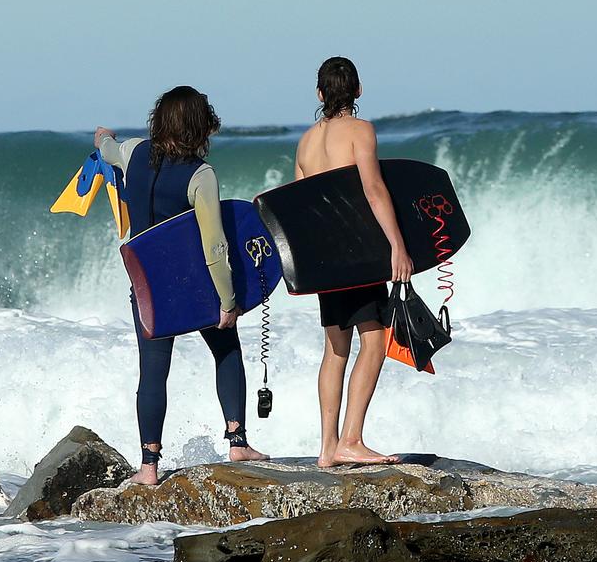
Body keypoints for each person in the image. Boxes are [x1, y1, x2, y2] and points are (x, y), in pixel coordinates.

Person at [95, 86, 269, 485]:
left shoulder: (134, 152)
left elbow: (108, 148)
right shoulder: (201, 175)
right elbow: (214, 246)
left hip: (150, 288)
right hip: (195, 286)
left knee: (153, 373)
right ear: (199, 126)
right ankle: (238, 440)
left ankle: (148, 467)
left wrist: (103, 136)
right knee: (226, 348)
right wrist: (228, 300)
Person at [294, 57, 414, 467]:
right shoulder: (361, 131)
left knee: (335, 349)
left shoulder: (307, 142)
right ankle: (352, 439)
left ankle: (327, 448)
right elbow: (374, 189)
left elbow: (297, 204)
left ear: (320, 94)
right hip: (357, 254)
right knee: (376, 341)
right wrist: (398, 245)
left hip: (324, 258)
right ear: (358, 91)